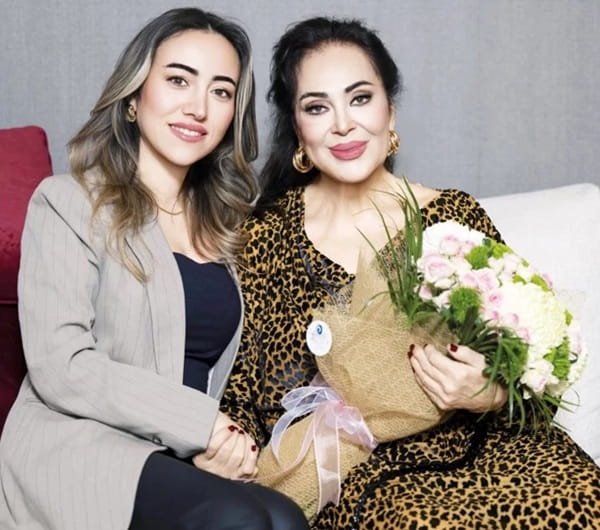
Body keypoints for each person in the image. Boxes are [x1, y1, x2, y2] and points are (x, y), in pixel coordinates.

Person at [220, 16, 600, 529]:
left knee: (584, 497)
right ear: (298, 130)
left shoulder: (452, 217)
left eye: (360, 98)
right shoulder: (266, 237)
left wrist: (489, 391)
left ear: (390, 111)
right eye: (317, 107)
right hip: (363, 469)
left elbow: (534, 364)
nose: (343, 124)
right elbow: (243, 389)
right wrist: (227, 444)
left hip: (492, 448)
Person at [0, 8, 309, 530]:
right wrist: (199, 425)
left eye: (221, 91)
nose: (198, 107)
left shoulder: (228, 227)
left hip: (176, 454)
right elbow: (62, 364)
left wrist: (224, 443)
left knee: (284, 517)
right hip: (80, 446)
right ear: (133, 95)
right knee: (237, 518)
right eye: (178, 80)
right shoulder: (68, 201)